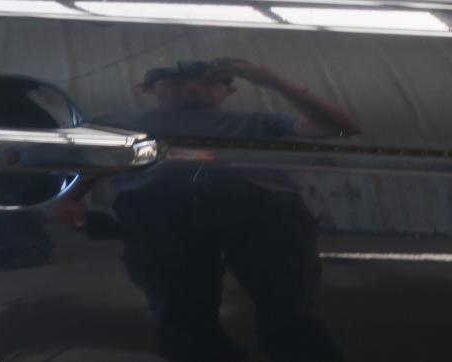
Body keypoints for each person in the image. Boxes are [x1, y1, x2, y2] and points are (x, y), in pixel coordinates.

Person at [68, 59, 356, 362]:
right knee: (181, 312)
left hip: (261, 212)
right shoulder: (117, 122)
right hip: (160, 214)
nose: (192, 88)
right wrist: (67, 197)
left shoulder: (258, 121)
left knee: (289, 304)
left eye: (207, 82)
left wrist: (273, 81)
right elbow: (84, 157)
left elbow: (340, 129)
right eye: (176, 83)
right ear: (148, 89)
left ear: (229, 91)